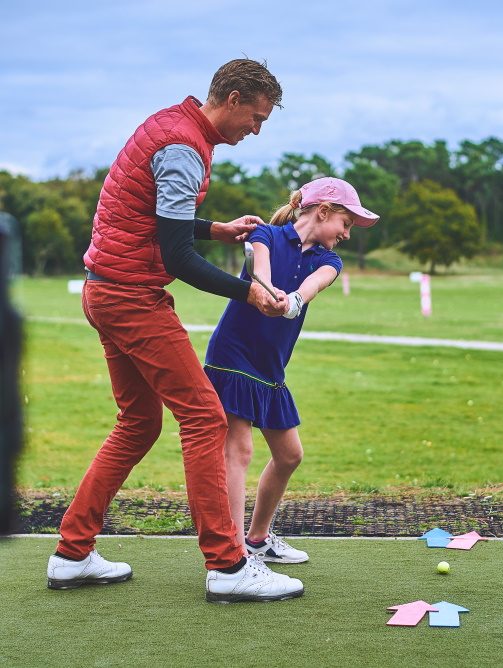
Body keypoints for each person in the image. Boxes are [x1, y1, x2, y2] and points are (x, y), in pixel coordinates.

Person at [47, 58, 305, 604]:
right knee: (206, 416)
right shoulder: (186, 149)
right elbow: (177, 255)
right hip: (130, 298)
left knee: (139, 423)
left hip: (105, 290)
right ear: (232, 99)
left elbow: (153, 220)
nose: (256, 130)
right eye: (255, 118)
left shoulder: (172, 125)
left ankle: (71, 553)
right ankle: (228, 565)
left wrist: (218, 227)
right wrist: (248, 291)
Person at [204, 177, 379, 562]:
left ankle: (257, 540)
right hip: (233, 356)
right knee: (239, 450)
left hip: (270, 367)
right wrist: (267, 290)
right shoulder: (266, 234)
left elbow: (315, 285)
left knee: (289, 455)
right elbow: (260, 269)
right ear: (323, 212)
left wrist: (294, 300)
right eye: (345, 224)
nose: (346, 234)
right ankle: (232, 554)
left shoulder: (329, 260)